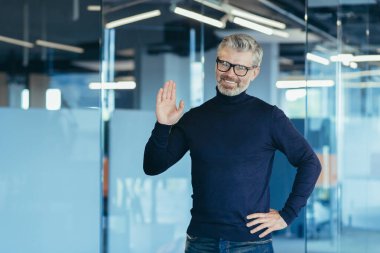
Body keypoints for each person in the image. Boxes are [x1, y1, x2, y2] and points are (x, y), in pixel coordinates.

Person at [143, 33, 322, 253]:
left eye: (240, 68)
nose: (230, 74)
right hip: (202, 242)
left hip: (251, 244)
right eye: (224, 64)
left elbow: (310, 162)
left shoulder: (269, 118)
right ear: (216, 63)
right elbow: (153, 166)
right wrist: (163, 125)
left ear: (254, 72)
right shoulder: (194, 118)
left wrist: (288, 215)